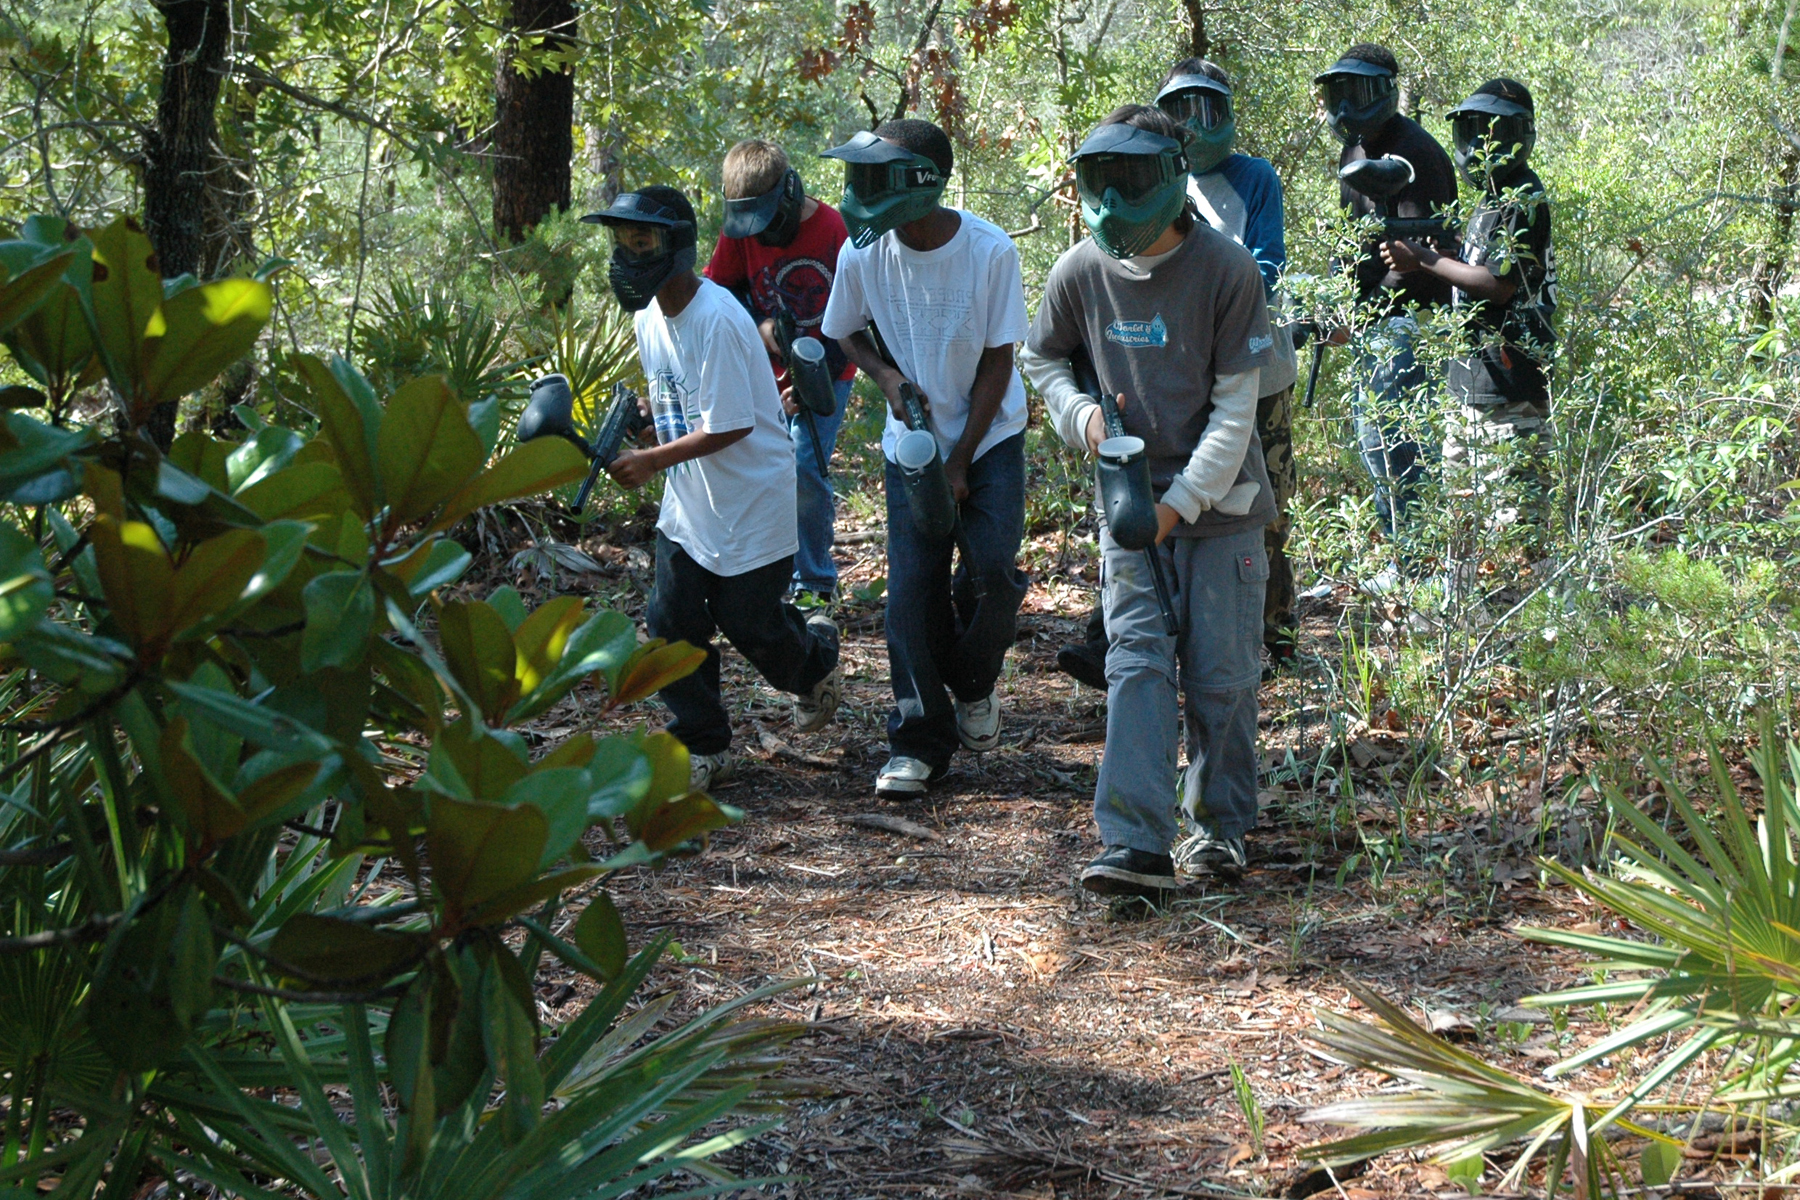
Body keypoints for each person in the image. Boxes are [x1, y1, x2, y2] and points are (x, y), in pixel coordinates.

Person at [1020, 105, 1276, 896]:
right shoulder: (1079, 271)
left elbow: (1237, 413)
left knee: (1221, 677)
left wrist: (1180, 506)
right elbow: (1040, 360)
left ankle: (1219, 828)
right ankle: (1133, 843)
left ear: (1167, 181)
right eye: (1097, 183)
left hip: (1223, 508)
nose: (1110, 203)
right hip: (1128, 503)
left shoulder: (1227, 270)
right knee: (1134, 665)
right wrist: (1083, 416)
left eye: (1128, 182)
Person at [586, 186, 842, 791]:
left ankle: (815, 662)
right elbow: (685, 398)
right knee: (669, 618)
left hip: (752, 496)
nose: (627, 253)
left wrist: (649, 459)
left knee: (751, 624)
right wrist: (648, 416)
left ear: (675, 244)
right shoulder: (650, 315)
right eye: (620, 240)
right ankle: (703, 744)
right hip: (691, 501)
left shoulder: (718, 316)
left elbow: (729, 424)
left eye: (641, 240)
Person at [1056, 58, 1300, 688]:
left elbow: (1267, 262)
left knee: (1254, 503)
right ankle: (1119, 637)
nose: (1197, 124)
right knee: (1137, 494)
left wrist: (1210, 281)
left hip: (1254, 368)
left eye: (1209, 109)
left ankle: (1270, 633)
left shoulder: (1254, 178)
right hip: (1166, 368)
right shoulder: (1140, 175)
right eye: (1184, 110)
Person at [819, 118, 1032, 800]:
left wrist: (962, 457)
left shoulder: (989, 252)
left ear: (921, 184)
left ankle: (973, 683)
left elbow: (999, 362)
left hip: (988, 434)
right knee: (911, 591)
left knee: (994, 569)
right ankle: (917, 739)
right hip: (909, 442)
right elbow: (845, 331)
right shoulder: (864, 251)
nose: (858, 195)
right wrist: (886, 380)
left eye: (874, 178)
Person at [1380, 79, 1555, 536]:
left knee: (1516, 534)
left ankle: (1517, 607)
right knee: (1466, 525)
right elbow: (1480, 263)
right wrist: (1439, 247)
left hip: (1511, 392)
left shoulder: (1523, 198)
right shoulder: (1492, 199)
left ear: (1520, 134)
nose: (1479, 144)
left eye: (1492, 132)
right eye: (1472, 130)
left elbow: (1498, 286)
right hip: (1474, 388)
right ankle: (1471, 611)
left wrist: (1425, 258)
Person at [1315, 44, 1458, 567]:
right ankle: (1404, 566)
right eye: (1338, 94)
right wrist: (1334, 303)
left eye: (1360, 93)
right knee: (1375, 443)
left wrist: (1364, 311)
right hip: (1376, 320)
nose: (1347, 107)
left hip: (1412, 323)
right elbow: (1352, 243)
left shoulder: (1414, 153)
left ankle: (1419, 575)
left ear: (1387, 91)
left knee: (1400, 448)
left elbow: (1419, 253)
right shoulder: (1353, 152)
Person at [704, 139, 859, 606]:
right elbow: (719, 294)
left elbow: (858, 313)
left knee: (803, 467)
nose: (760, 233)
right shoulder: (740, 229)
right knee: (760, 471)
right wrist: (761, 328)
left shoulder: (835, 229)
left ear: (789, 192)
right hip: (762, 372)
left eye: (768, 221)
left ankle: (815, 583)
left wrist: (811, 377)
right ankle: (763, 575)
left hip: (830, 367)